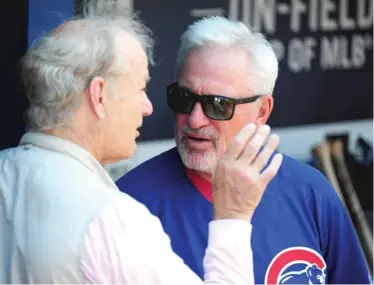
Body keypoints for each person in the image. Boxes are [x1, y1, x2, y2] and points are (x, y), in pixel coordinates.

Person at [0, 2, 284, 284]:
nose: (147, 106)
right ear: (99, 95)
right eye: (139, 89)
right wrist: (231, 219)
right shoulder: (111, 219)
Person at [117, 16, 372, 284]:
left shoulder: (311, 194)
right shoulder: (129, 204)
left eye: (218, 104)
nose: (194, 119)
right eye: (184, 98)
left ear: (261, 111)